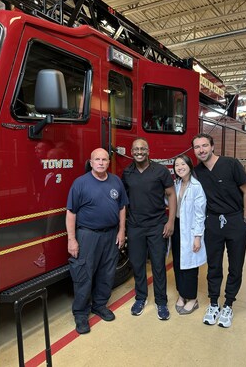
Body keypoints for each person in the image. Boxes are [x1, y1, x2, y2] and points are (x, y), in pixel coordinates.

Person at [192, 133, 246, 328]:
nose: (201, 150)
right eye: (197, 147)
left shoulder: (231, 164)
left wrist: (245, 219)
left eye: (204, 146)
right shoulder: (197, 172)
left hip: (235, 220)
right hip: (213, 223)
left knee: (235, 266)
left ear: (212, 146)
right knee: (214, 266)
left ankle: (228, 304)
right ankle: (213, 303)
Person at [66, 148, 129, 334]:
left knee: (107, 272)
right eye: (97, 159)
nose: (101, 162)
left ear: (109, 162)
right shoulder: (80, 183)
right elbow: (71, 213)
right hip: (87, 235)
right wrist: (72, 239)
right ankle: (81, 314)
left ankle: (99, 305)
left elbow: (122, 208)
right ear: (91, 162)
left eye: (104, 160)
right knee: (83, 274)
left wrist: (121, 231)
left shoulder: (116, 181)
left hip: (110, 235)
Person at [122, 138, 176, 320]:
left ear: (148, 151)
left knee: (158, 265)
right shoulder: (127, 172)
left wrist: (170, 222)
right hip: (135, 226)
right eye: (136, 149)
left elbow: (171, 194)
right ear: (131, 151)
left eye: (142, 149)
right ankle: (141, 298)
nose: (139, 152)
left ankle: (161, 302)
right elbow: (124, 201)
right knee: (137, 264)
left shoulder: (160, 171)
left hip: (157, 226)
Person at [172, 155, 207, 315]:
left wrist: (198, 237)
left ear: (189, 166)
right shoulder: (177, 184)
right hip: (178, 228)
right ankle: (181, 295)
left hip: (191, 230)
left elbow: (200, 214)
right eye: (177, 165)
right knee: (178, 263)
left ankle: (192, 299)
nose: (180, 167)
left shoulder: (196, 186)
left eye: (182, 164)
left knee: (190, 266)